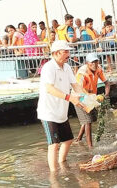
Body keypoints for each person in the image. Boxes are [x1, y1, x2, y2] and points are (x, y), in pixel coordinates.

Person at [37, 40, 86, 172]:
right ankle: (54, 174)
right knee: (53, 144)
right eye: (66, 52)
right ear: (56, 53)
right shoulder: (48, 68)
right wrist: (70, 98)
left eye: (68, 51)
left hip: (61, 111)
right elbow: (49, 89)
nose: (68, 54)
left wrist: (86, 98)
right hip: (48, 112)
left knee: (68, 140)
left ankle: (62, 164)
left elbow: (75, 85)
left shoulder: (67, 67)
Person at [74, 53, 110, 148]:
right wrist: (93, 97)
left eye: (96, 62)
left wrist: (106, 95)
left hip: (91, 97)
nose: (94, 64)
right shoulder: (82, 73)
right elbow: (79, 89)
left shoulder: (99, 69)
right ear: (87, 63)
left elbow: (106, 83)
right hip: (79, 97)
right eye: (92, 62)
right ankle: (90, 147)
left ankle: (78, 139)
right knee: (88, 121)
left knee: (90, 119)